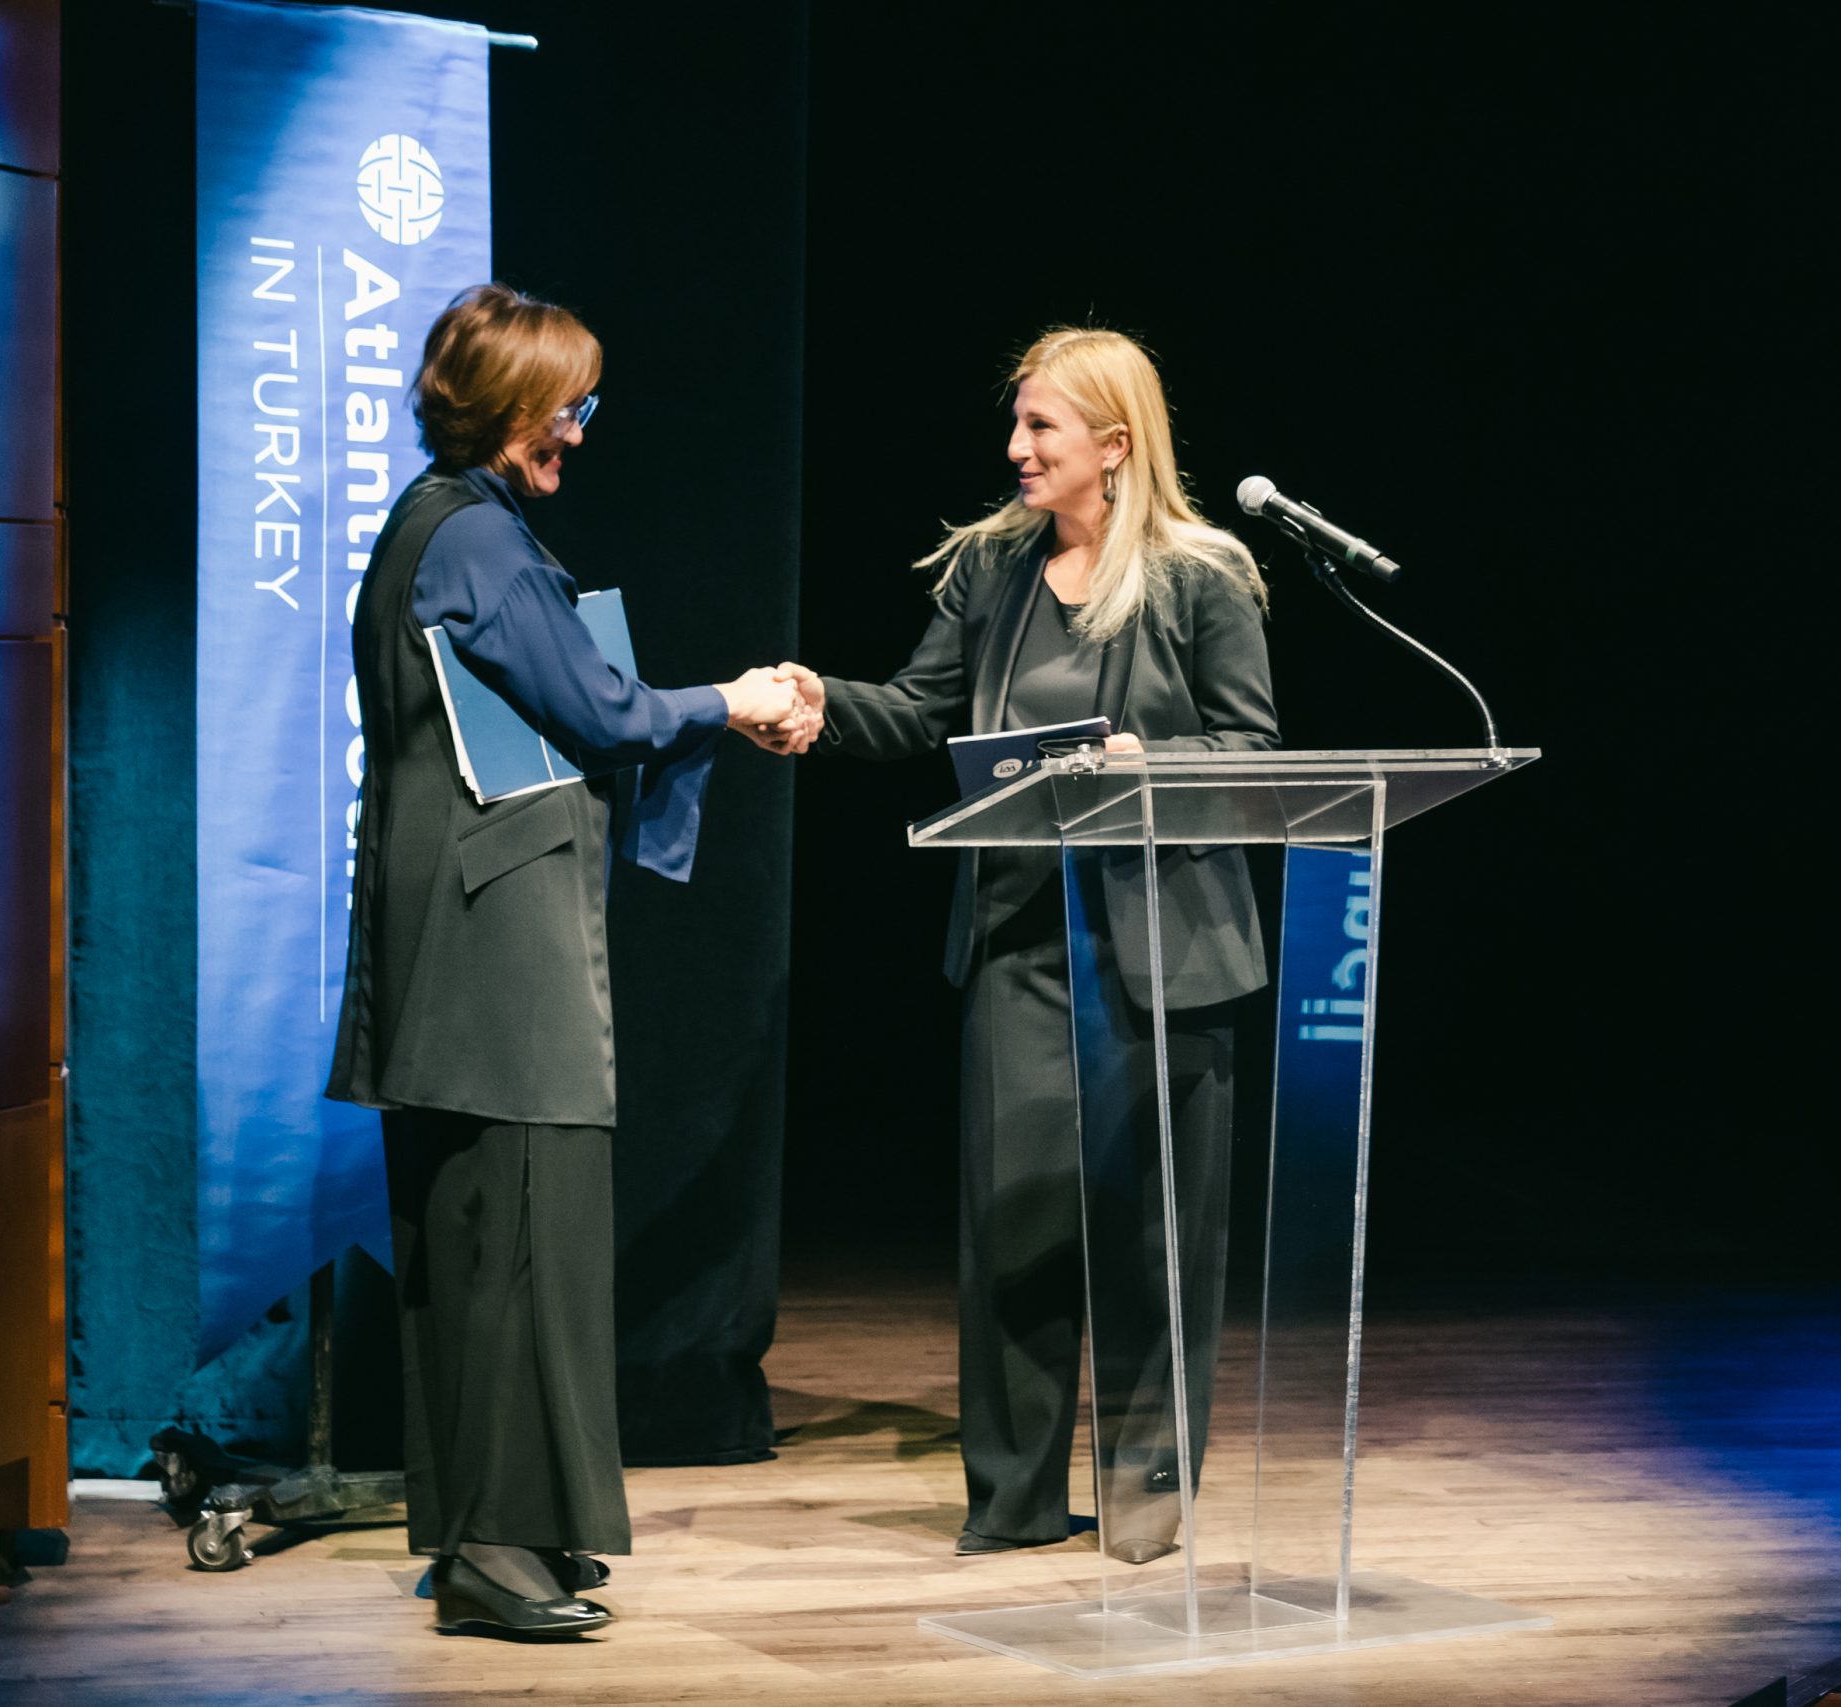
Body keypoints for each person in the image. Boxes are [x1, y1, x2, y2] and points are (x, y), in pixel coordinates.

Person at [326, 283, 807, 1638]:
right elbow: (602, 708)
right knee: (520, 1241)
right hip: (496, 949)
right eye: (566, 408)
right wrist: (740, 700)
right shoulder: (473, 538)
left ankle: (514, 1528)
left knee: (493, 1242)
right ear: (507, 408)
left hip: (472, 934)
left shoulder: (452, 528)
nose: (579, 434)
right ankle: (494, 1550)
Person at [773, 328, 1277, 1558]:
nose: (1016, 448)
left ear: (1114, 445)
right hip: (1019, 941)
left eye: (1041, 427)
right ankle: (1014, 1501)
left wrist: (1139, 766)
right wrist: (815, 704)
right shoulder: (991, 575)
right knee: (1016, 1227)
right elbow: (916, 710)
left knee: (1157, 1242)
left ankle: (1150, 1514)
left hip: (1167, 947)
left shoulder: (1200, 577)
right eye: (1016, 424)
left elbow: (1253, 751)